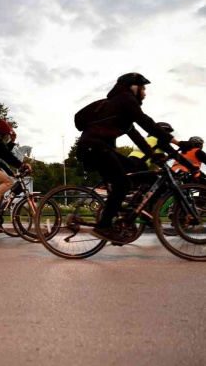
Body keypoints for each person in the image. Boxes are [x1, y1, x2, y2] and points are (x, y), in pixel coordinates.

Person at [76, 73, 191, 243]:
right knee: (122, 184)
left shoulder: (120, 109)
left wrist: (153, 155)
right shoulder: (125, 99)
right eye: (143, 88)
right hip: (95, 148)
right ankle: (104, 226)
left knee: (140, 171)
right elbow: (147, 123)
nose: (145, 93)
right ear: (133, 87)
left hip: (98, 149)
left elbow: (137, 136)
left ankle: (128, 213)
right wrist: (177, 141)